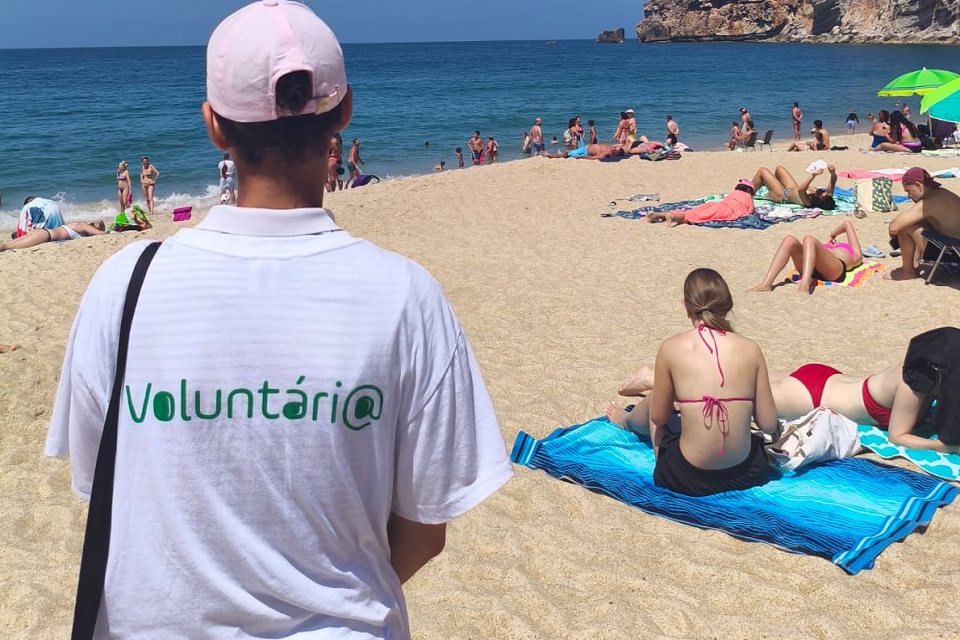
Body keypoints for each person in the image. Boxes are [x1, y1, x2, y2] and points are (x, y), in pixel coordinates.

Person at [45, 2, 513, 637]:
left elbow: (101, 486)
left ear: (214, 127)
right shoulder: (406, 296)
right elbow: (426, 528)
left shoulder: (124, 285)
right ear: (343, 114)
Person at [605, 268, 780, 497]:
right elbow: (768, 424)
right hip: (746, 474)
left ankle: (626, 420)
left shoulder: (671, 348)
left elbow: (658, 418)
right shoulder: (751, 348)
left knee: (655, 401)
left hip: (688, 478)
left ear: (686, 307)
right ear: (728, 305)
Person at [617, 357, 955, 454]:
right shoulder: (917, 381)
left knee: (744, 381)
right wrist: (943, 446)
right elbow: (898, 437)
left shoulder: (926, 366)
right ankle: (654, 380)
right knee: (727, 395)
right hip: (811, 395)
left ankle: (653, 377)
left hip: (823, 379)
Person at [748, 217, 863, 294]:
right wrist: (832, 236)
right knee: (789, 240)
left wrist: (833, 235)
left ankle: (804, 285)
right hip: (811, 268)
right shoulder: (824, 248)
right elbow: (845, 225)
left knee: (808, 239)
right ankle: (766, 284)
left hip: (834, 270)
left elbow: (847, 225)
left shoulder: (856, 255)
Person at [886, 166, 960, 281]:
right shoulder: (944, 194)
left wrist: (894, 235)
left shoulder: (929, 202)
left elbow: (894, 227)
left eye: (908, 191)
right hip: (955, 246)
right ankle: (916, 263)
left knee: (905, 226)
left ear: (918, 186)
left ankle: (907, 272)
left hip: (954, 253)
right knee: (917, 220)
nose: (909, 196)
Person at [643, 178, 755, 226]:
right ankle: (673, 217)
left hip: (715, 205)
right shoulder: (748, 196)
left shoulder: (733, 192)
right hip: (726, 210)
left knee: (691, 212)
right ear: (750, 190)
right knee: (694, 216)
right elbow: (750, 211)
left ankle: (657, 215)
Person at [751, 163, 837, 210]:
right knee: (779, 168)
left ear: (819, 198)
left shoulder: (808, 201)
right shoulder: (827, 196)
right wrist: (832, 172)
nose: (824, 191)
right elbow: (833, 181)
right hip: (791, 188)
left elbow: (801, 189)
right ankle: (770, 187)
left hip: (782, 195)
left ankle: (747, 193)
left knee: (762, 171)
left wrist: (813, 175)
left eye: (823, 193)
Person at [0, 220, 105, 252]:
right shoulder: (85, 227)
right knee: (7, 246)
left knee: (8, 244)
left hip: (43, 232)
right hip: (46, 236)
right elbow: (102, 235)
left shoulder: (78, 223)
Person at [544, 142, 626, 159]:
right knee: (568, 153)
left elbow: (594, 157)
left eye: (616, 149)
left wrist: (582, 157)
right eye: (616, 147)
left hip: (585, 151)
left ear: (616, 153)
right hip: (586, 148)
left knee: (566, 154)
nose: (615, 147)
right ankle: (551, 154)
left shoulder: (606, 153)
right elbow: (622, 144)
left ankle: (549, 155)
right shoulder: (612, 147)